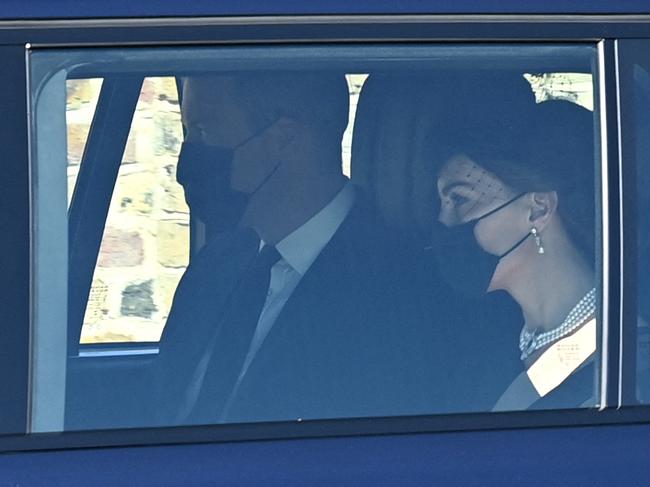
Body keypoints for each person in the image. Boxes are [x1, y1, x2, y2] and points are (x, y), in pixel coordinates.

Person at [153, 72, 433, 425]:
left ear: (284, 138)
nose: (185, 164)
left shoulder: (400, 293)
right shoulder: (212, 269)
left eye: (205, 131)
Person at [433, 82, 602, 410]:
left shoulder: (622, 364)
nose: (443, 221)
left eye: (461, 199)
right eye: (441, 202)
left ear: (538, 209)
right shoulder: (484, 338)